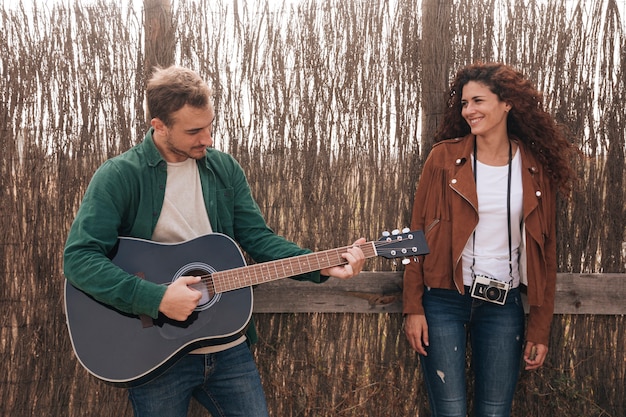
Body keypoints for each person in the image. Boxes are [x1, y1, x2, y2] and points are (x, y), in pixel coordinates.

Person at [63, 65, 366, 417]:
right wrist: (156, 297)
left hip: (228, 347)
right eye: (194, 130)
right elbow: (79, 258)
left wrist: (318, 264)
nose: (207, 138)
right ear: (158, 125)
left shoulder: (224, 168)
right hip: (153, 355)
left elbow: (257, 238)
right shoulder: (119, 176)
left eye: (209, 126)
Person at [403, 62, 576, 417]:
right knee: (449, 411)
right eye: (465, 103)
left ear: (507, 103)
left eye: (478, 101)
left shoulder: (533, 167)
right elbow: (416, 235)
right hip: (444, 302)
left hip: (503, 303)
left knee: (495, 411)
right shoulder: (444, 159)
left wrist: (539, 329)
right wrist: (414, 307)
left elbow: (546, 251)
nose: (469, 111)